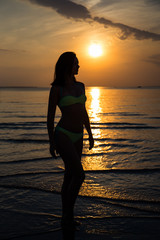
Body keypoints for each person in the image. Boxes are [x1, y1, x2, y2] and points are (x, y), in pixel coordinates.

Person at [47, 51, 94, 229]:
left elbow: (84, 112)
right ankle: (67, 215)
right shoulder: (56, 89)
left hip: (78, 135)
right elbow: (50, 118)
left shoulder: (81, 86)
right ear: (67, 66)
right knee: (79, 175)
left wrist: (90, 134)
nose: (79, 66)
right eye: (76, 63)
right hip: (64, 134)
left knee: (69, 176)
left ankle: (66, 217)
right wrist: (51, 141)